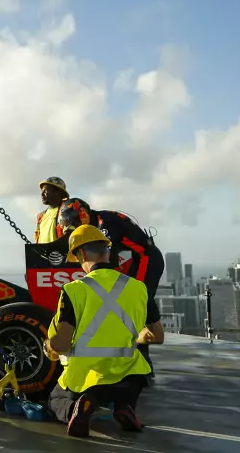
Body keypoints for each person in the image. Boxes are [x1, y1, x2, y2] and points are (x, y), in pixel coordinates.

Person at [44, 225, 164, 438]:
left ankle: (77, 409)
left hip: (88, 377)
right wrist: (135, 336)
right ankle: (123, 406)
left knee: (55, 399)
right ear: (107, 253)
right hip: (129, 377)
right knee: (124, 382)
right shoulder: (138, 288)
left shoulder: (74, 290)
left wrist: (48, 346)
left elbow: (61, 344)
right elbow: (157, 336)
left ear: (80, 254)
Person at [58, 200, 165, 377]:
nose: (72, 229)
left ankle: (143, 361)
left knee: (136, 301)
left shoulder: (104, 224)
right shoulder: (97, 222)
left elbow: (105, 258)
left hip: (147, 259)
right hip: (137, 260)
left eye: (73, 223)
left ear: (82, 215)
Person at [35, 177, 78, 244]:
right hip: (43, 254)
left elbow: (70, 236)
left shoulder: (66, 211)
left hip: (59, 254)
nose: (42, 194)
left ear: (58, 192)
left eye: (45, 191)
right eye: (42, 191)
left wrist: (52, 247)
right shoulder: (40, 216)